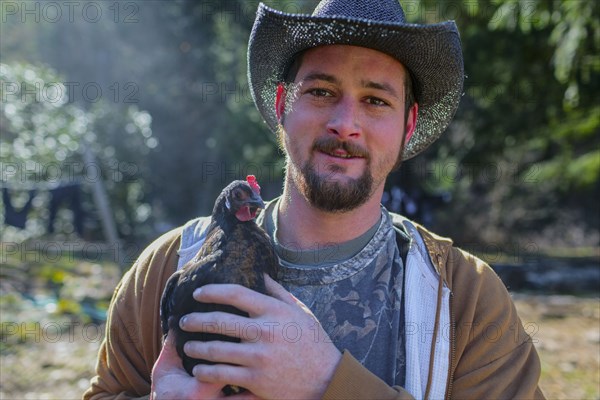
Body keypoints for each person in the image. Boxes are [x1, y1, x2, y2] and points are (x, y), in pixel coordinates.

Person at [85, 1, 546, 399]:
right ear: (284, 104)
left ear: (408, 125)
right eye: (322, 92)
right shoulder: (166, 269)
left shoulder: (467, 302)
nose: (345, 123)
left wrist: (328, 384)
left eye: (376, 100)